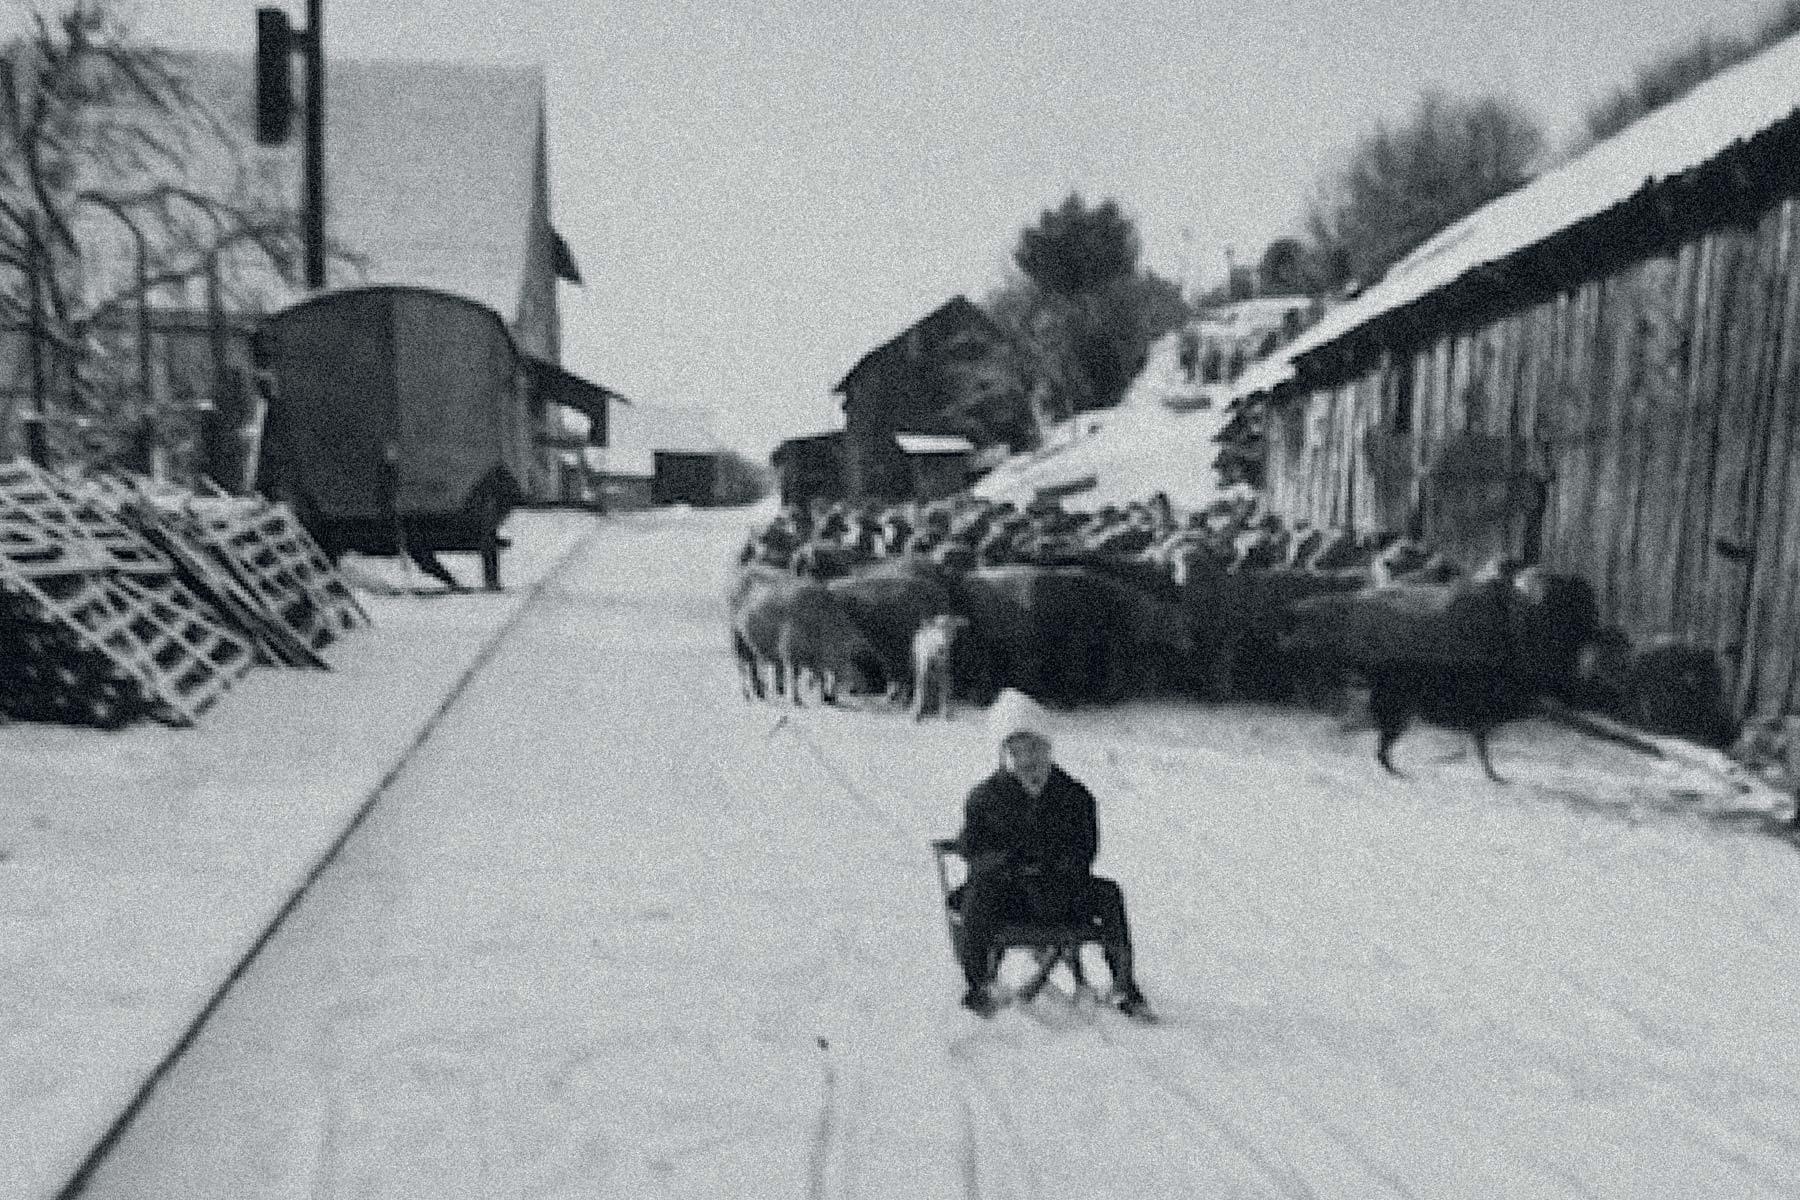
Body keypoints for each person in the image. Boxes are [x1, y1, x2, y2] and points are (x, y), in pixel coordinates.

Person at [950, 689, 1148, 1018]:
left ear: (1048, 751)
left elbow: (1085, 850)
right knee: (978, 894)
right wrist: (1006, 862)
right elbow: (974, 849)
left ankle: (1125, 987)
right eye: (1019, 752)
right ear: (1006, 755)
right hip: (1008, 895)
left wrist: (1057, 865)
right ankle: (977, 987)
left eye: (1035, 750)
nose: (1029, 762)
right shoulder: (985, 798)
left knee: (1109, 893)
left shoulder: (1074, 796)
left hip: (1060, 894)